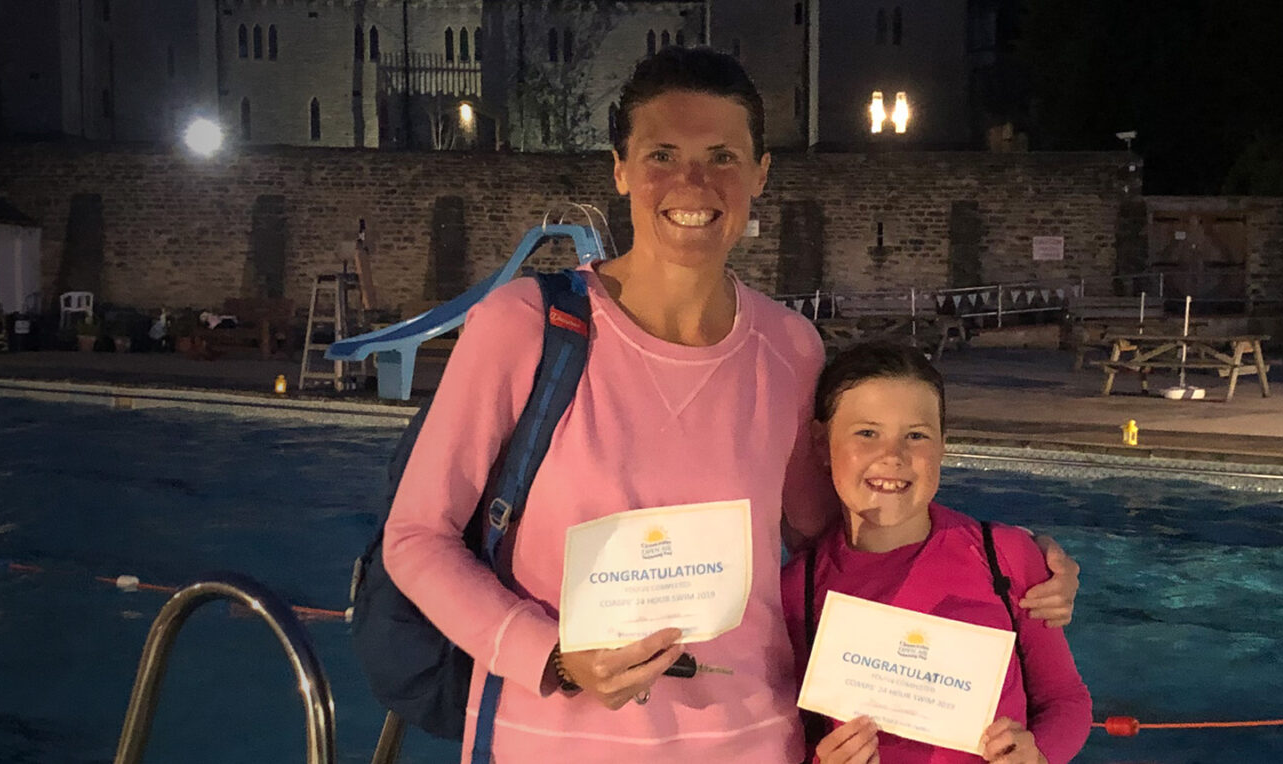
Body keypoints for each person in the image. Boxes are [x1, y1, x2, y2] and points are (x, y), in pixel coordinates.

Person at [380, 47, 1082, 763]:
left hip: (750, 739)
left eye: (722, 156)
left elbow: (839, 541)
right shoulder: (525, 326)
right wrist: (552, 656)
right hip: (556, 737)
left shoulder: (788, 347)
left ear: (759, 175)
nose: (692, 182)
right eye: (661, 153)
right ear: (620, 169)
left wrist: (1021, 568)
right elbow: (415, 539)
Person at [788, 344, 1091, 764]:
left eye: (916, 435)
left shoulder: (1005, 558)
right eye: (867, 433)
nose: (892, 456)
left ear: (944, 446)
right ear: (823, 444)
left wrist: (1039, 755)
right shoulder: (797, 592)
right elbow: (780, 734)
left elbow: (1065, 698)